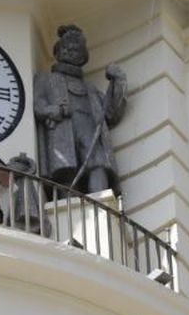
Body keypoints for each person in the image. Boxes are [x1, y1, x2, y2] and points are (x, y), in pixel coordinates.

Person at [33, 24, 127, 194]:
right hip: (62, 133)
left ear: (83, 56)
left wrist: (118, 82)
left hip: (89, 131)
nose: (70, 51)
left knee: (99, 164)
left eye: (76, 49)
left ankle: (100, 201)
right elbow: (38, 105)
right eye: (66, 48)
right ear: (57, 51)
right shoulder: (46, 79)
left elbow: (111, 113)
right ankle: (68, 205)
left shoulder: (90, 88)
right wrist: (54, 110)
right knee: (66, 168)